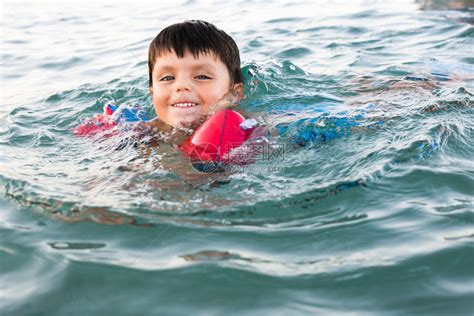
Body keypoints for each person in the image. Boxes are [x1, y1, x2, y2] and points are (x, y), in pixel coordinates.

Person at [143, 20, 246, 135]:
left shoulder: (248, 127)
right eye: (167, 78)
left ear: (234, 94)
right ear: (152, 92)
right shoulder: (143, 134)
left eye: (202, 76)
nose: (181, 85)